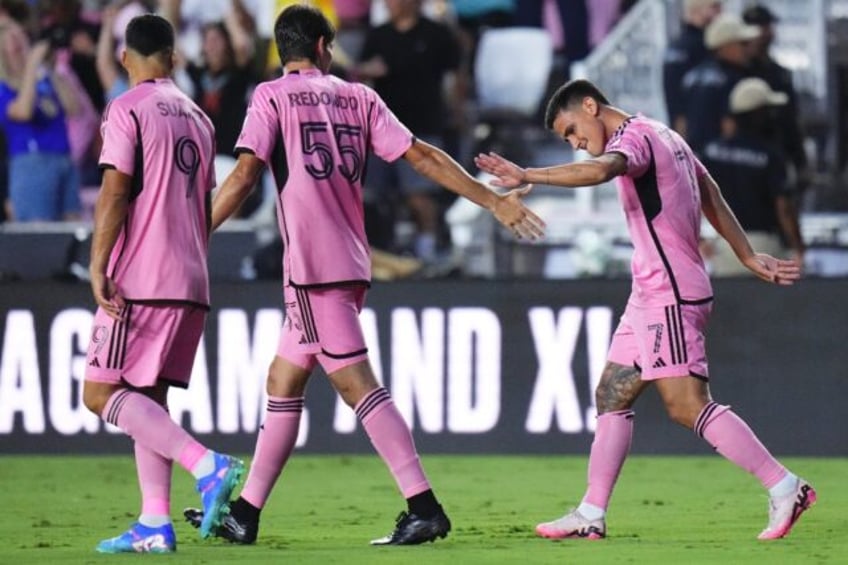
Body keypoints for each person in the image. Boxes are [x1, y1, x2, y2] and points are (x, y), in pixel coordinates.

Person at [182, 4, 543, 546]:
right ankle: (247, 514)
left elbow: (244, 177)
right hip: (350, 262)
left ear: (283, 51)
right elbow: (422, 156)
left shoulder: (270, 97)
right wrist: (489, 200)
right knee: (283, 382)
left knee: (359, 388)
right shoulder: (359, 96)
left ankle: (424, 507)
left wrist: (193, 230)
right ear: (324, 46)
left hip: (311, 269)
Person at [475, 78, 815, 541]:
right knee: (611, 394)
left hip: (671, 293)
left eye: (572, 130)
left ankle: (785, 486)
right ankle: (590, 514)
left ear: (591, 106)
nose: (575, 143)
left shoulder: (632, 140)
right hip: (649, 293)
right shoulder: (665, 134)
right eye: (567, 140)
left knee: (686, 406)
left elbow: (600, 171)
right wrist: (746, 254)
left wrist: (529, 174)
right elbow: (708, 187)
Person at [81, 14, 244, 554]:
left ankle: (207, 464)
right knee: (147, 398)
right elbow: (204, 201)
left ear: (125, 58)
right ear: (174, 59)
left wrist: (99, 262)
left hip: (142, 276)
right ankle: (154, 522)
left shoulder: (127, 107)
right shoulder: (199, 116)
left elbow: (115, 191)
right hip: (192, 277)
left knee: (101, 392)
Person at [356, 0, 462, 262]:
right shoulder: (378, 35)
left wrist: (457, 109)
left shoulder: (437, 34)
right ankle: (381, 252)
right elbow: (359, 73)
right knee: (371, 197)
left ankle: (427, 250)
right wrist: (367, 71)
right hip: (381, 130)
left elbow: (456, 74)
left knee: (419, 196)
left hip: (423, 127)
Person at [701, 77, 804, 275]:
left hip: (724, 246)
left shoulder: (712, 152)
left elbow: (689, 199)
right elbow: (783, 207)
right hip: (764, 248)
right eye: (769, 111)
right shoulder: (771, 155)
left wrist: (698, 240)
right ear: (758, 114)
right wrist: (798, 247)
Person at [0, 20, 83, 221]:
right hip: (32, 164)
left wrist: (51, 69)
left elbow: (74, 109)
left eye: (21, 36)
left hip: (64, 159)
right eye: (11, 40)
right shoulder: (3, 88)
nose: (19, 42)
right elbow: (24, 111)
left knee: (72, 233)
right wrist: (31, 67)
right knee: (41, 238)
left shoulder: (44, 77)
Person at [742, 3, 810, 194]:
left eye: (768, 27)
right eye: (762, 27)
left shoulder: (778, 73)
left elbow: (791, 119)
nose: (767, 33)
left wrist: (800, 161)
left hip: (778, 151)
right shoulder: (738, 72)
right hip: (749, 157)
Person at [680, 12, 758, 154]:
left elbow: (682, 124)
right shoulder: (734, 79)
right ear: (725, 46)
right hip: (721, 162)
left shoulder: (691, 76)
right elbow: (729, 127)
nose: (749, 49)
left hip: (694, 158)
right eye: (743, 43)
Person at [662, 0, 723, 134]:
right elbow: (675, 94)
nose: (721, 13)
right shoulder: (696, 47)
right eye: (715, 7)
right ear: (697, 9)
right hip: (693, 129)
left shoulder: (677, 45)